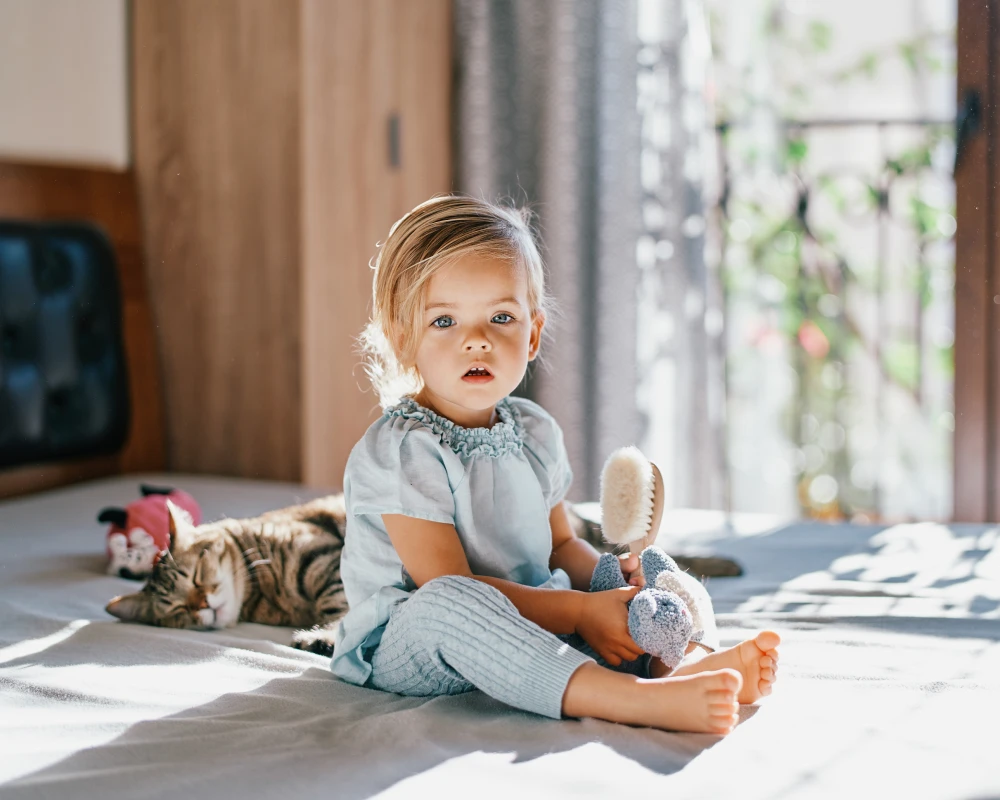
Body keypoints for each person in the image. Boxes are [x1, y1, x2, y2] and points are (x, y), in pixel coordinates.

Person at [329, 194, 779, 734]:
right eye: (444, 321)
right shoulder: (402, 450)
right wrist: (581, 613)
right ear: (404, 340)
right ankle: (627, 697)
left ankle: (688, 659)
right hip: (420, 646)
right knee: (447, 601)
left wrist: (616, 586)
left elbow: (562, 545)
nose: (476, 340)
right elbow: (448, 582)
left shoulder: (535, 431)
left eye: (501, 317)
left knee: (655, 569)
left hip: (540, 618)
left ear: (533, 334)